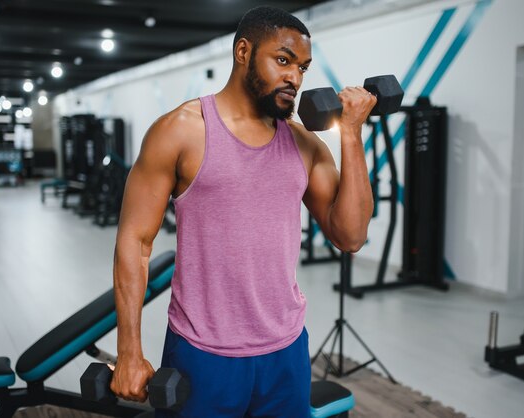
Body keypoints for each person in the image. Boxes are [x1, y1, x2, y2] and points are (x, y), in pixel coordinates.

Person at [112, 6, 376, 417]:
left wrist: (353, 135)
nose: (294, 77)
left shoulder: (304, 145)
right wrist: (129, 350)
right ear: (243, 52)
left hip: (285, 350)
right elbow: (135, 241)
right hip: (202, 351)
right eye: (283, 60)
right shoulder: (181, 130)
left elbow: (351, 236)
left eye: (303, 67)